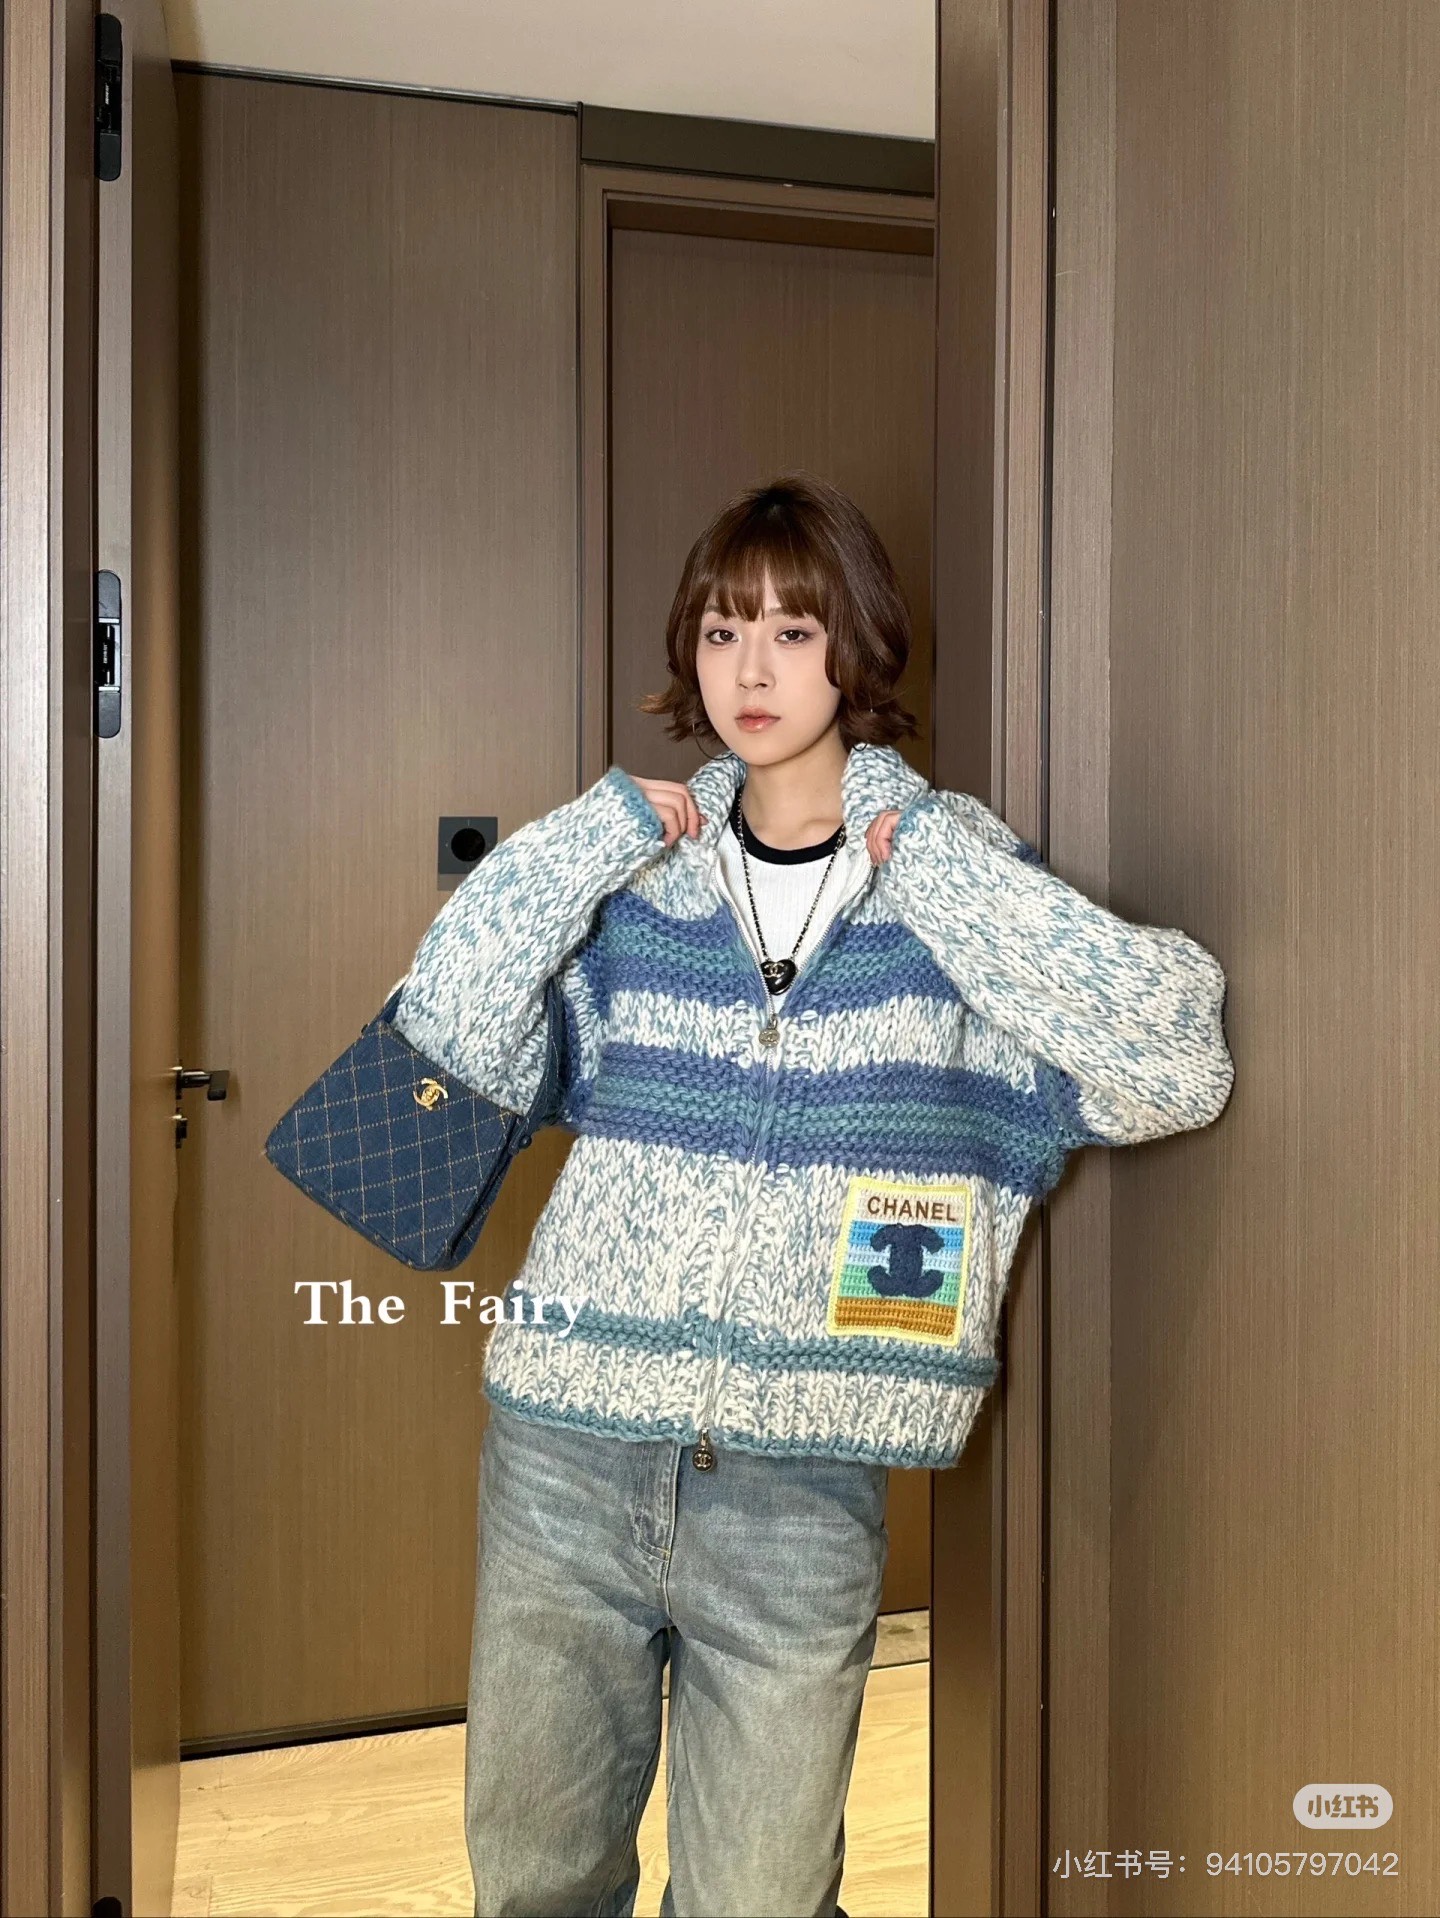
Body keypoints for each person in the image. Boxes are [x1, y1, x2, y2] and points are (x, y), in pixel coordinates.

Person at [393, 473, 1236, 1918]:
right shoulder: (639, 890)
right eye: (723, 631)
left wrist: (946, 874)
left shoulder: (955, 886)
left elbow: (1176, 1059)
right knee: (536, 1884)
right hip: (565, 1460)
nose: (753, 669)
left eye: (793, 630)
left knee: (764, 1900)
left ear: (859, 645)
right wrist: (584, 839)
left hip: (801, 1495)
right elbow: (452, 1030)